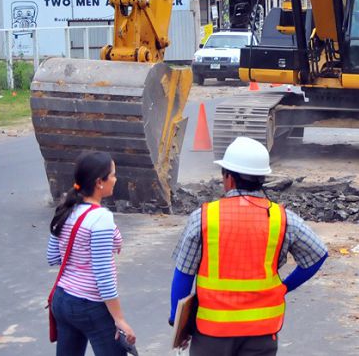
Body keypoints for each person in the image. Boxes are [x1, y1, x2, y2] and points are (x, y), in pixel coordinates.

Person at [170, 137, 329, 355]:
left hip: (211, 333)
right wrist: (284, 287)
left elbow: (183, 274)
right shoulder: (282, 218)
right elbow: (318, 254)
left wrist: (176, 320)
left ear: (229, 178)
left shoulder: (204, 217)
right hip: (261, 333)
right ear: (262, 178)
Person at [46, 151, 136, 356]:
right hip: (90, 305)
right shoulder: (100, 219)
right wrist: (120, 319)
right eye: (112, 174)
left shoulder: (66, 208)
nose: (115, 179)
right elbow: (103, 277)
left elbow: (53, 256)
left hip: (62, 300)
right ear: (99, 182)